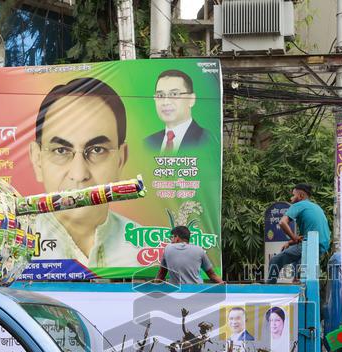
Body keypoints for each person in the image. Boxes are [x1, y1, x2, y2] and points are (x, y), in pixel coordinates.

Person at [28, 77, 141, 268]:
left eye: (97, 150)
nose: (79, 175)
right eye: (61, 151)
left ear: (120, 160)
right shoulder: (11, 246)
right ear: (37, 160)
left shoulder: (148, 250)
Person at [267, 183, 331, 283]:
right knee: (297, 263)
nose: (291, 198)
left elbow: (282, 222)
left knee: (274, 261)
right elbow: (304, 237)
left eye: (293, 195)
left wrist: (293, 238)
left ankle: (270, 290)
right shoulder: (316, 207)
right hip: (322, 245)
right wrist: (290, 242)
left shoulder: (298, 205)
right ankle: (297, 281)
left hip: (309, 244)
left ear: (301, 196)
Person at [144, 69, 208, 153]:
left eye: (174, 94)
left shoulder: (206, 140)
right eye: (160, 95)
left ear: (191, 99)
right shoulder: (148, 143)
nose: (166, 102)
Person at [154, 225, 223, 285]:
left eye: (172, 237)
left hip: (177, 292)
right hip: (197, 291)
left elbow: (161, 274)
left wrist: (154, 290)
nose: (171, 240)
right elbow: (212, 275)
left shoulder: (168, 248)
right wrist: (225, 285)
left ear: (177, 237)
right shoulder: (199, 250)